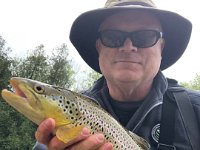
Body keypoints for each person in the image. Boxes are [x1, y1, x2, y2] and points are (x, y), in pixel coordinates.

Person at [33, 0, 200, 149]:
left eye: (145, 36)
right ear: (99, 48)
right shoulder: (59, 122)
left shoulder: (195, 108)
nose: (128, 47)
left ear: (161, 47)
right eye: (112, 37)